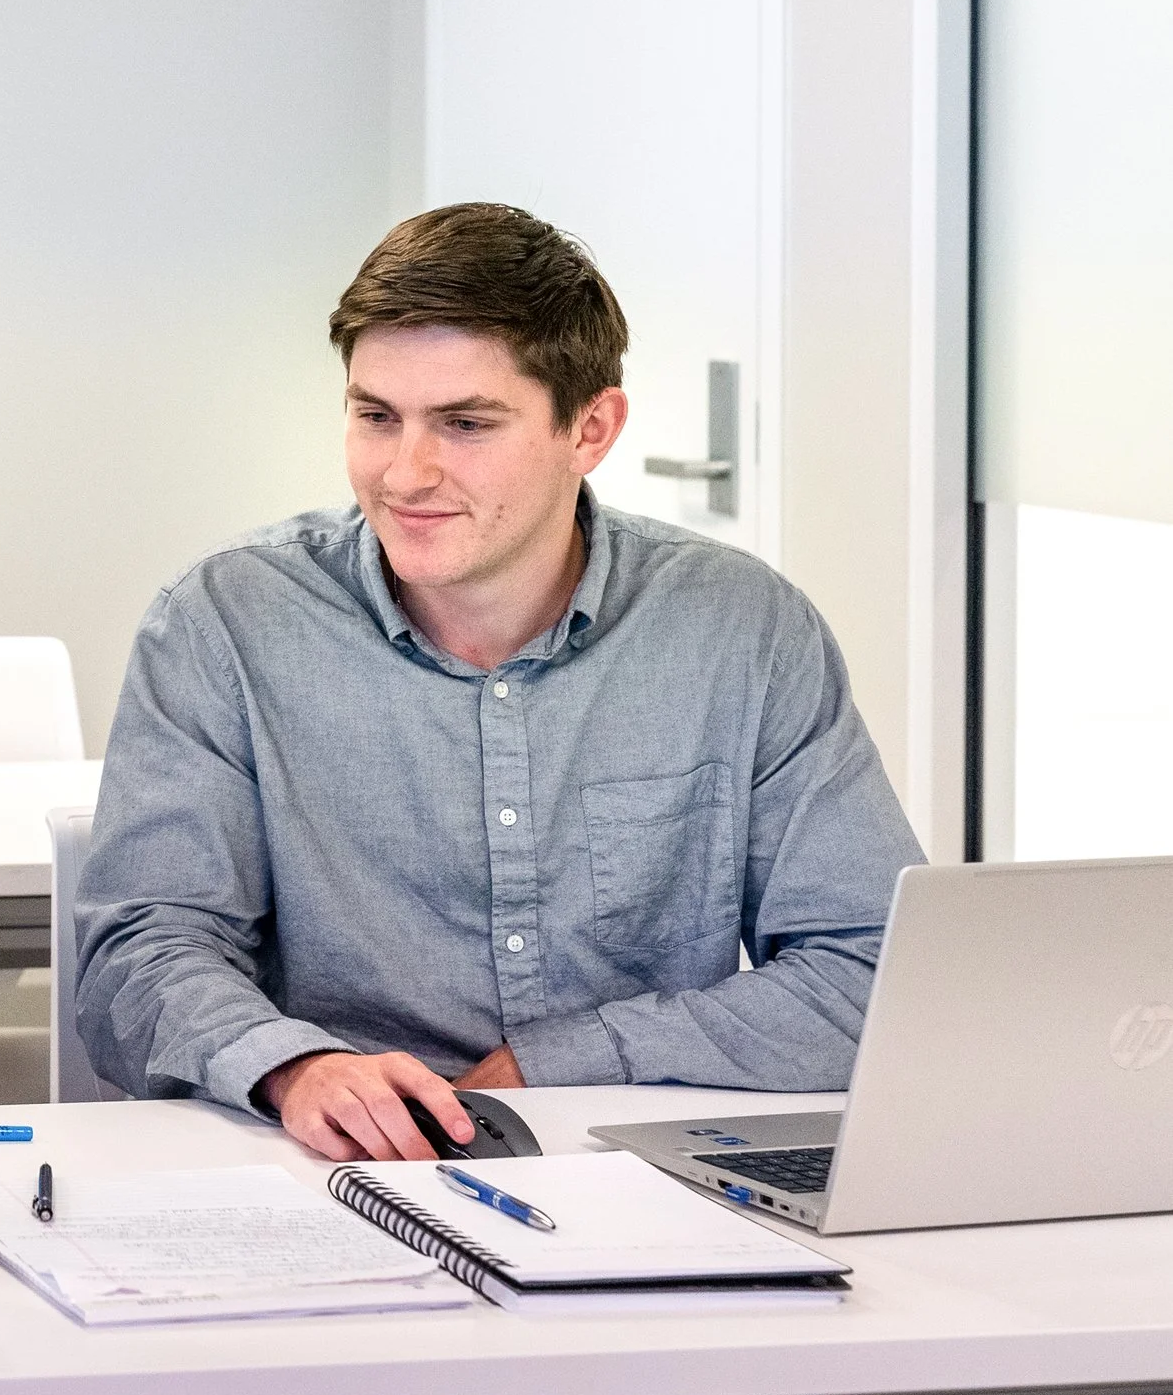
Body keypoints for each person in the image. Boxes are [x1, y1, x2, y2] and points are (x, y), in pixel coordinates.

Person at [75, 202, 922, 1163]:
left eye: (465, 424)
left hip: (639, 1160)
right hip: (328, 1167)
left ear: (591, 428)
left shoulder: (743, 630)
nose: (405, 472)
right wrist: (292, 1068)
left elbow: (873, 972)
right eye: (374, 417)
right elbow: (138, 956)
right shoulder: (225, 622)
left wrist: (559, 1061)